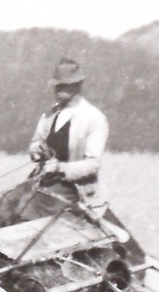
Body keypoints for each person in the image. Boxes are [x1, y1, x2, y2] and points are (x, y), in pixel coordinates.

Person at [28, 58, 109, 205]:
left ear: (76, 86)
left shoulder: (93, 118)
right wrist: (36, 150)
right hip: (43, 180)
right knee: (9, 203)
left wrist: (60, 168)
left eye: (62, 86)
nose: (57, 90)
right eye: (56, 86)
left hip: (76, 188)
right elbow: (36, 142)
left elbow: (93, 164)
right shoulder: (49, 114)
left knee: (34, 207)